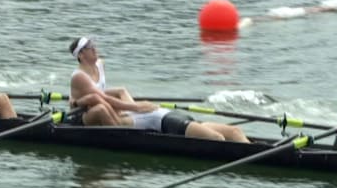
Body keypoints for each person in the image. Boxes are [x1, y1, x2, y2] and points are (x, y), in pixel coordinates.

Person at [66, 36, 248, 142]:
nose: (95, 48)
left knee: (235, 132)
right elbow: (100, 99)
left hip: (158, 116)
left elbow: (109, 94)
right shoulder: (80, 76)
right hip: (158, 121)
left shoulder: (99, 64)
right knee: (217, 139)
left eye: (93, 44)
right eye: (90, 47)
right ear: (81, 55)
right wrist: (137, 107)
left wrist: (78, 100)